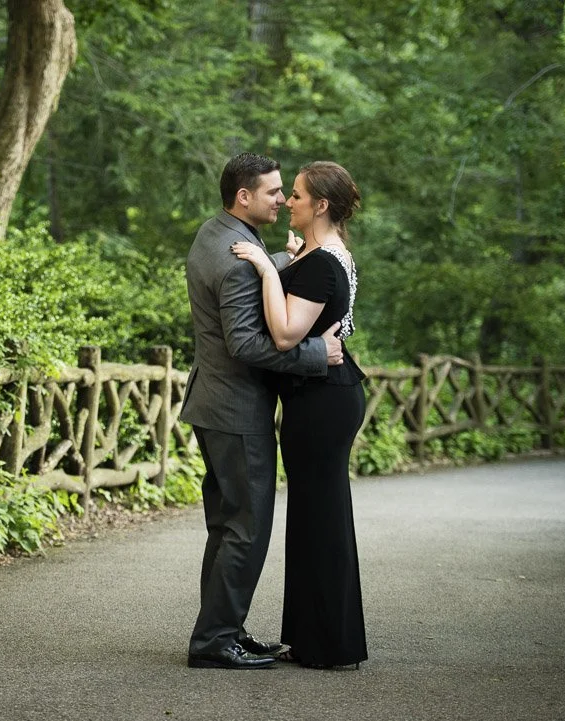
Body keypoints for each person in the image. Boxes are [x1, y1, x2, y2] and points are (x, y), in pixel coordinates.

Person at [182, 152, 344, 670]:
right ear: (244, 196)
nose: (282, 199)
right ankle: (215, 641)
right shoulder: (236, 260)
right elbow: (247, 344)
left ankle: (222, 630)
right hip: (237, 410)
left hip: (211, 402)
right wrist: (317, 353)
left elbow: (242, 273)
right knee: (246, 530)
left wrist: (280, 261)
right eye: (274, 192)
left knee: (226, 526)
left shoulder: (216, 233)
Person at [231, 160, 368, 670]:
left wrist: (268, 269)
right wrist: (285, 262)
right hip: (322, 395)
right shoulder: (321, 254)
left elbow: (287, 334)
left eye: (297, 195)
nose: (288, 202)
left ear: (321, 205)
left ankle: (329, 644)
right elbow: (322, 312)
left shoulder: (323, 262)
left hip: (322, 401)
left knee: (321, 518)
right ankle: (316, 639)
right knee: (315, 516)